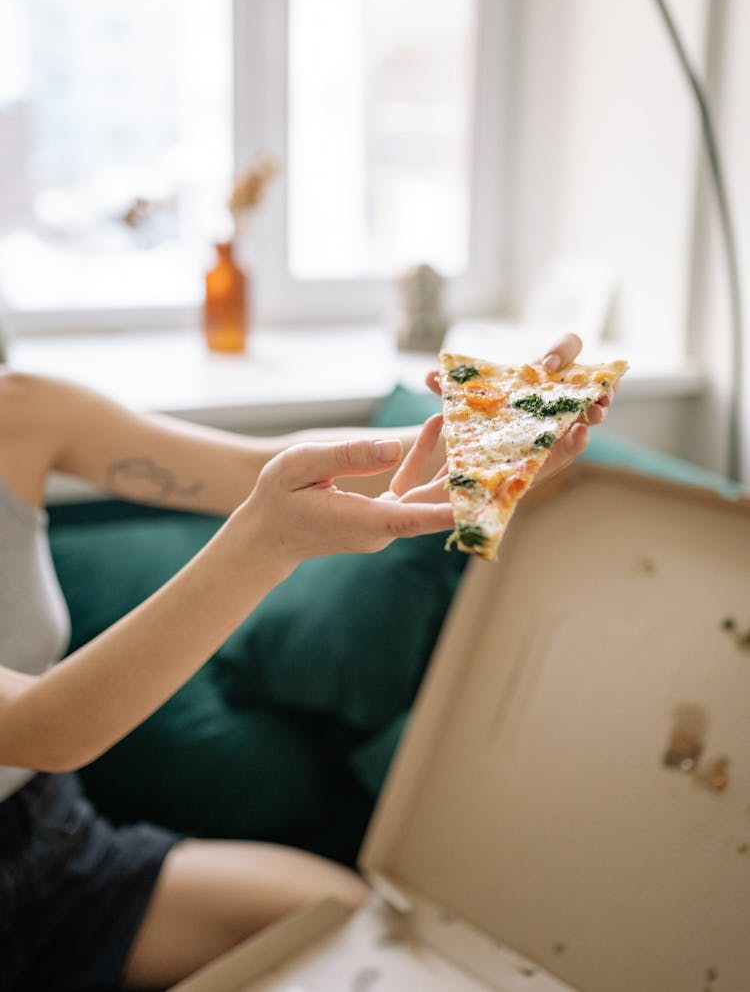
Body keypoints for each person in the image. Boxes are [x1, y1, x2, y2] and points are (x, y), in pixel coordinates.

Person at [0, 332, 611, 991]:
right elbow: (43, 729)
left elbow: (252, 467)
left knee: (344, 923)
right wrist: (264, 541)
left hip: (52, 842)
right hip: (43, 786)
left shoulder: (20, 408)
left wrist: (498, 435)